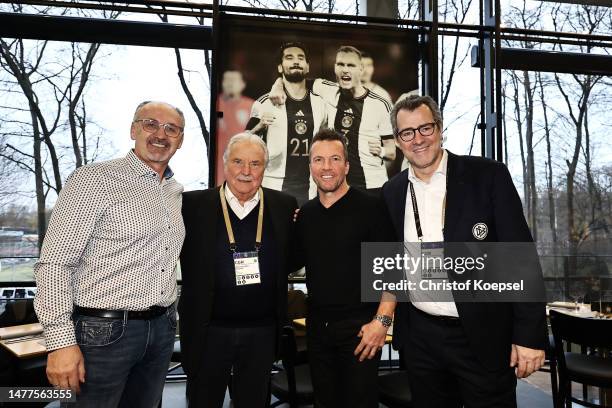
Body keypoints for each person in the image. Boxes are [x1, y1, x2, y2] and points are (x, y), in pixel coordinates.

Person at [381, 95, 547, 408]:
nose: (418, 139)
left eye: (425, 128)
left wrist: (528, 336)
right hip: (421, 339)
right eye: (407, 133)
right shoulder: (393, 191)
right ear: (398, 141)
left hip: (481, 337)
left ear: (440, 129)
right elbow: (393, 258)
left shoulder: (487, 176)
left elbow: (520, 257)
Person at [34, 101, 186, 406]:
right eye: (150, 124)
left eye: (172, 129)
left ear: (180, 140)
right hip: (101, 334)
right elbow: (54, 264)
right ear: (133, 130)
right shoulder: (93, 180)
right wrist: (60, 341)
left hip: (161, 329)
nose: (161, 134)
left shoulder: (174, 191)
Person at [179, 133, 298, 407]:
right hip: (208, 331)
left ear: (264, 168)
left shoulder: (284, 206)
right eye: (238, 162)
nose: (246, 171)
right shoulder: (192, 205)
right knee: (203, 401)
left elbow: (292, 257)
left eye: (255, 164)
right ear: (225, 164)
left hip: (262, 331)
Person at [295, 128, 396, 407]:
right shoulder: (305, 215)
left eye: (335, 159)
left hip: (362, 330)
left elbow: (394, 271)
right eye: (319, 160)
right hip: (317, 331)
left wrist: (382, 323)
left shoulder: (373, 207)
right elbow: (291, 260)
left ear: (347, 165)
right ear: (310, 166)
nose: (326, 167)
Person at [271, 46, 395, 194]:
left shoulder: (380, 103)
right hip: (337, 186)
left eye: (351, 65)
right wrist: (277, 86)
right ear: (335, 67)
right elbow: (296, 79)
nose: (345, 70)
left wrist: (381, 150)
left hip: (371, 185)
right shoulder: (327, 89)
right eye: (340, 64)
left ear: (361, 69)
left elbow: (392, 152)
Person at [246, 42, 327, 205]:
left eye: (301, 58)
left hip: (311, 191)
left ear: (308, 67)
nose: (296, 61)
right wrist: (259, 126)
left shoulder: (320, 103)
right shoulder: (264, 102)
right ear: (280, 68)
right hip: (274, 188)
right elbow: (243, 141)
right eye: (289, 58)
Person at [216, 70, 255, 186]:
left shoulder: (252, 105)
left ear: (242, 84)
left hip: (245, 159)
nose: (230, 83)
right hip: (219, 161)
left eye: (234, 80)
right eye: (227, 80)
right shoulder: (215, 103)